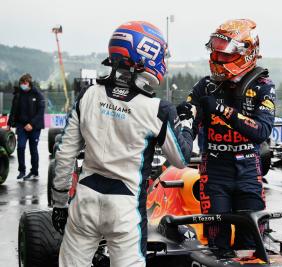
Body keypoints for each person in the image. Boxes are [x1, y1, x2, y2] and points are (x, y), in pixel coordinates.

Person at [51, 21, 195, 267]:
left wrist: (60, 203)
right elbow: (180, 159)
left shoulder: (87, 95)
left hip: (84, 200)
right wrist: (186, 123)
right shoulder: (157, 109)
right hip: (125, 207)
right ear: (145, 58)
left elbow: (64, 154)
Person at [184, 19, 275, 255]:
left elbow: (262, 131)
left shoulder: (264, 86)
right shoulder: (203, 87)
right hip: (214, 170)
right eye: (215, 54)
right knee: (218, 245)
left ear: (246, 53)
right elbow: (187, 127)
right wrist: (183, 123)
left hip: (249, 168)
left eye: (223, 56)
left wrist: (223, 111)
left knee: (252, 243)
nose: (217, 60)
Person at [7, 73, 45, 180]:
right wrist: (9, 124)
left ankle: (34, 171)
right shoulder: (18, 94)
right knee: (20, 147)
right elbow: (13, 110)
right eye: (21, 83)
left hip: (35, 127)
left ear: (29, 83)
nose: (23, 85)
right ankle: (21, 171)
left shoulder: (37, 94)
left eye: (25, 83)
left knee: (33, 149)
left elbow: (41, 111)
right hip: (21, 126)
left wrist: (32, 124)